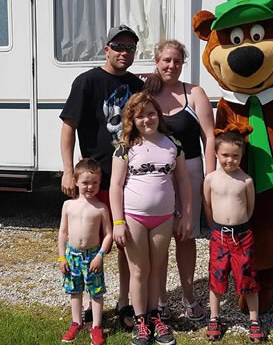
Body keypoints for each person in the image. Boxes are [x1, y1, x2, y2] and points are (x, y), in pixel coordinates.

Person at [60, 24, 160, 330]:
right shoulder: (87, 81)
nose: (124, 53)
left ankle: (124, 301)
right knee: (91, 242)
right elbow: (68, 127)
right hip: (95, 179)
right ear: (106, 49)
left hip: (130, 179)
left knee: (124, 241)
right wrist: (67, 170)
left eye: (130, 48)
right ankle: (89, 304)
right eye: (118, 47)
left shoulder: (135, 83)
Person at [110, 92, 192, 345]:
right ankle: (140, 321)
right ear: (131, 120)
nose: (147, 119)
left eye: (151, 113)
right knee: (139, 270)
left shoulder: (172, 144)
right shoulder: (125, 147)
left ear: (159, 115)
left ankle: (156, 315)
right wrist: (118, 222)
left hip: (164, 218)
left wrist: (186, 215)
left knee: (157, 269)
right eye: (140, 116)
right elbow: (115, 186)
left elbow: (183, 182)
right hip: (134, 217)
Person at [153, 39, 215, 321]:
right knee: (160, 238)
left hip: (190, 170)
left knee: (186, 235)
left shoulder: (194, 93)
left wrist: (211, 178)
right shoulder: (148, 94)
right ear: (156, 62)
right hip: (157, 175)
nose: (171, 65)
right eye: (166, 60)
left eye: (177, 61)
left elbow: (209, 138)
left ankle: (189, 298)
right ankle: (162, 301)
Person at [203, 131, 267, 343]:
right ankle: (214, 317)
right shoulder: (210, 179)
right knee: (216, 277)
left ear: (241, 156)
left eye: (235, 156)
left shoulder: (246, 180)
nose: (230, 160)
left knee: (247, 277)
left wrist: (238, 226)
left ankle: (254, 320)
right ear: (216, 153)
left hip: (242, 237)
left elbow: (250, 208)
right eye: (225, 155)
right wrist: (216, 228)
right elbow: (207, 205)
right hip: (219, 236)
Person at [58, 158, 112, 345]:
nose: (90, 187)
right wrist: (61, 257)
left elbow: (108, 235)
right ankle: (76, 322)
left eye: (94, 182)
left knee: (96, 292)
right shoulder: (68, 206)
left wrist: (100, 256)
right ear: (75, 182)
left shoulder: (101, 208)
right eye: (85, 183)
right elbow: (63, 232)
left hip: (92, 256)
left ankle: (96, 326)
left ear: (100, 182)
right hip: (72, 255)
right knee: (75, 291)